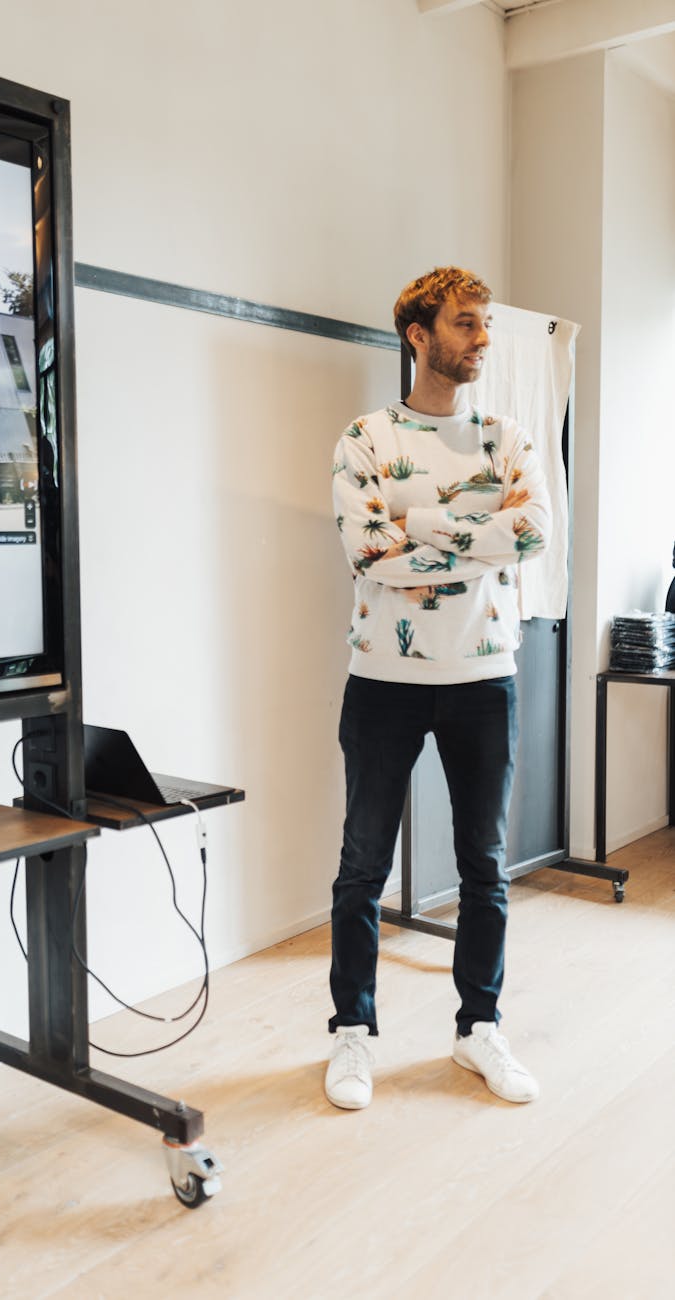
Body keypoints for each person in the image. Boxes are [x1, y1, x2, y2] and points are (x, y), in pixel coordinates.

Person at [326, 266, 551, 1109]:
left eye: (484, 323)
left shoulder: (505, 437)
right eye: (465, 324)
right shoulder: (367, 437)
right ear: (417, 335)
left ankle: (477, 1031)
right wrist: (472, 533)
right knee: (361, 867)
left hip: (485, 676)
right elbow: (366, 553)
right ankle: (352, 1033)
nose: (481, 339)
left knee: (484, 867)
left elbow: (529, 532)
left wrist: (417, 521)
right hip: (382, 679)